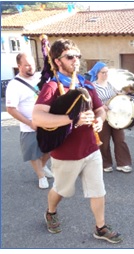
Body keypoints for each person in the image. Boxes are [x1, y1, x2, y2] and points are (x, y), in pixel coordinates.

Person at [33, 38, 121, 243]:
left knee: (98, 191)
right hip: (66, 154)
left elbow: (100, 109)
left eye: (78, 56)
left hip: (91, 150)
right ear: (57, 61)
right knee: (61, 190)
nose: (76, 60)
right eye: (70, 57)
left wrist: (99, 120)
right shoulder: (52, 87)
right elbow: (37, 118)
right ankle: (51, 211)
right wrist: (73, 119)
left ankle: (100, 227)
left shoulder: (85, 83)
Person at [5, 52, 53, 189]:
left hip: (46, 121)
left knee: (50, 149)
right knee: (33, 152)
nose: (30, 68)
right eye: (26, 65)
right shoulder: (14, 85)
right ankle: (41, 176)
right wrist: (29, 123)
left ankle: (42, 166)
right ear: (19, 66)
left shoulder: (40, 77)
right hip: (29, 125)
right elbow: (11, 109)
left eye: (31, 64)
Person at [88, 61, 133, 173]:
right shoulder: (92, 86)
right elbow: (91, 102)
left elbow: (117, 96)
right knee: (104, 141)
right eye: (103, 72)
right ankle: (105, 164)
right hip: (102, 117)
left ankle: (123, 163)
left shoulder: (110, 84)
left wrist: (121, 94)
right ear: (97, 73)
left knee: (120, 139)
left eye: (107, 72)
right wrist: (101, 106)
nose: (106, 74)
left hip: (115, 116)